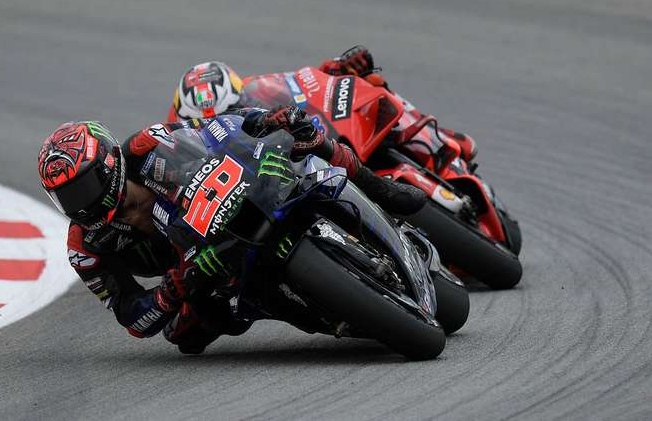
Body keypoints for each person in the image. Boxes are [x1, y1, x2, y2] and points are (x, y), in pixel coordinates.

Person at [38, 107, 425, 355]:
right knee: (183, 336)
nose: (80, 204)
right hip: (194, 268)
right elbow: (131, 317)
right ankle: (314, 311)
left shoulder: (147, 144)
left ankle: (381, 190)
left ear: (108, 164)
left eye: (82, 188)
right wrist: (170, 291)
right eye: (66, 198)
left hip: (228, 201)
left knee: (301, 134)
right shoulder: (84, 245)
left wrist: (264, 124)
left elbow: (217, 131)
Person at [168, 46, 478, 165]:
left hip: (319, 141)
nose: (226, 122)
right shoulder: (192, 147)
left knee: (369, 86)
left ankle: (437, 137)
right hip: (285, 175)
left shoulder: (260, 89)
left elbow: (303, 83)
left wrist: (337, 69)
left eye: (230, 112)